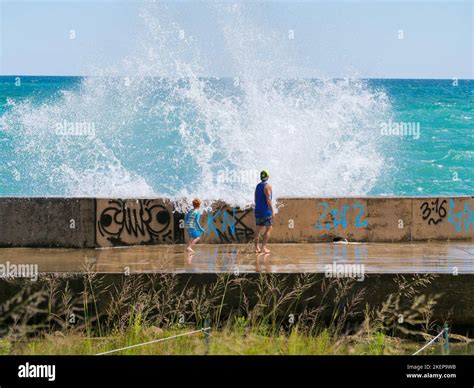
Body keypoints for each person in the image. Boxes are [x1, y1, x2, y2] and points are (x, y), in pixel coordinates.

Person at [254, 170, 274, 253]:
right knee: (269, 228)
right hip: (265, 211)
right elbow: (268, 199)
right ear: (267, 177)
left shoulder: (258, 186)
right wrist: (272, 211)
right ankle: (263, 247)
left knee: (258, 229)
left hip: (258, 210)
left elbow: (255, 198)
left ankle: (256, 248)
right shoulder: (268, 186)